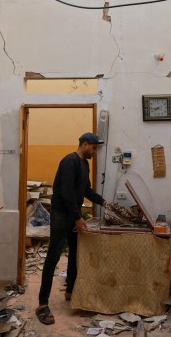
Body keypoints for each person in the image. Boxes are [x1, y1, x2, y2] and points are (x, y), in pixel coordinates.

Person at [35, 132, 108, 326]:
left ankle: (70, 292)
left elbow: (86, 191)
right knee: (53, 258)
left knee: (75, 254)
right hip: (61, 216)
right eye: (93, 148)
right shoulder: (70, 161)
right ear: (85, 145)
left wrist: (104, 202)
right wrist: (77, 218)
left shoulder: (84, 164)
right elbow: (66, 193)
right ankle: (42, 304)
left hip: (73, 215)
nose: (95, 151)